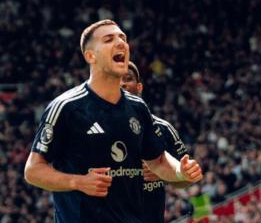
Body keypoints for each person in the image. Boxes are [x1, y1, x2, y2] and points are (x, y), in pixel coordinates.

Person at [24, 19, 203, 223]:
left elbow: (159, 161)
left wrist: (181, 170)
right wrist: (79, 182)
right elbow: (33, 170)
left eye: (123, 38)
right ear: (90, 56)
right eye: (109, 39)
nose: (120, 43)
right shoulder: (66, 107)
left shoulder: (138, 108)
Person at [121, 61, 191, 223]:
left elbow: (186, 179)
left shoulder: (163, 128)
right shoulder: (98, 129)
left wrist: (164, 173)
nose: (122, 84)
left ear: (139, 87)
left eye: (127, 78)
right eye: (117, 79)